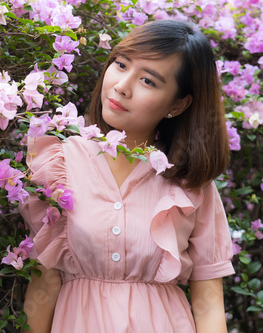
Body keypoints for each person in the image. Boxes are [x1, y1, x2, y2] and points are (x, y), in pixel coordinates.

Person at [19, 20, 235, 333]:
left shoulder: (189, 181)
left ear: (177, 104)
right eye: (121, 64)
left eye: (148, 81)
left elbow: (209, 303)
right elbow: (44, 284)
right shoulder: (59, 162)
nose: (122, 85)